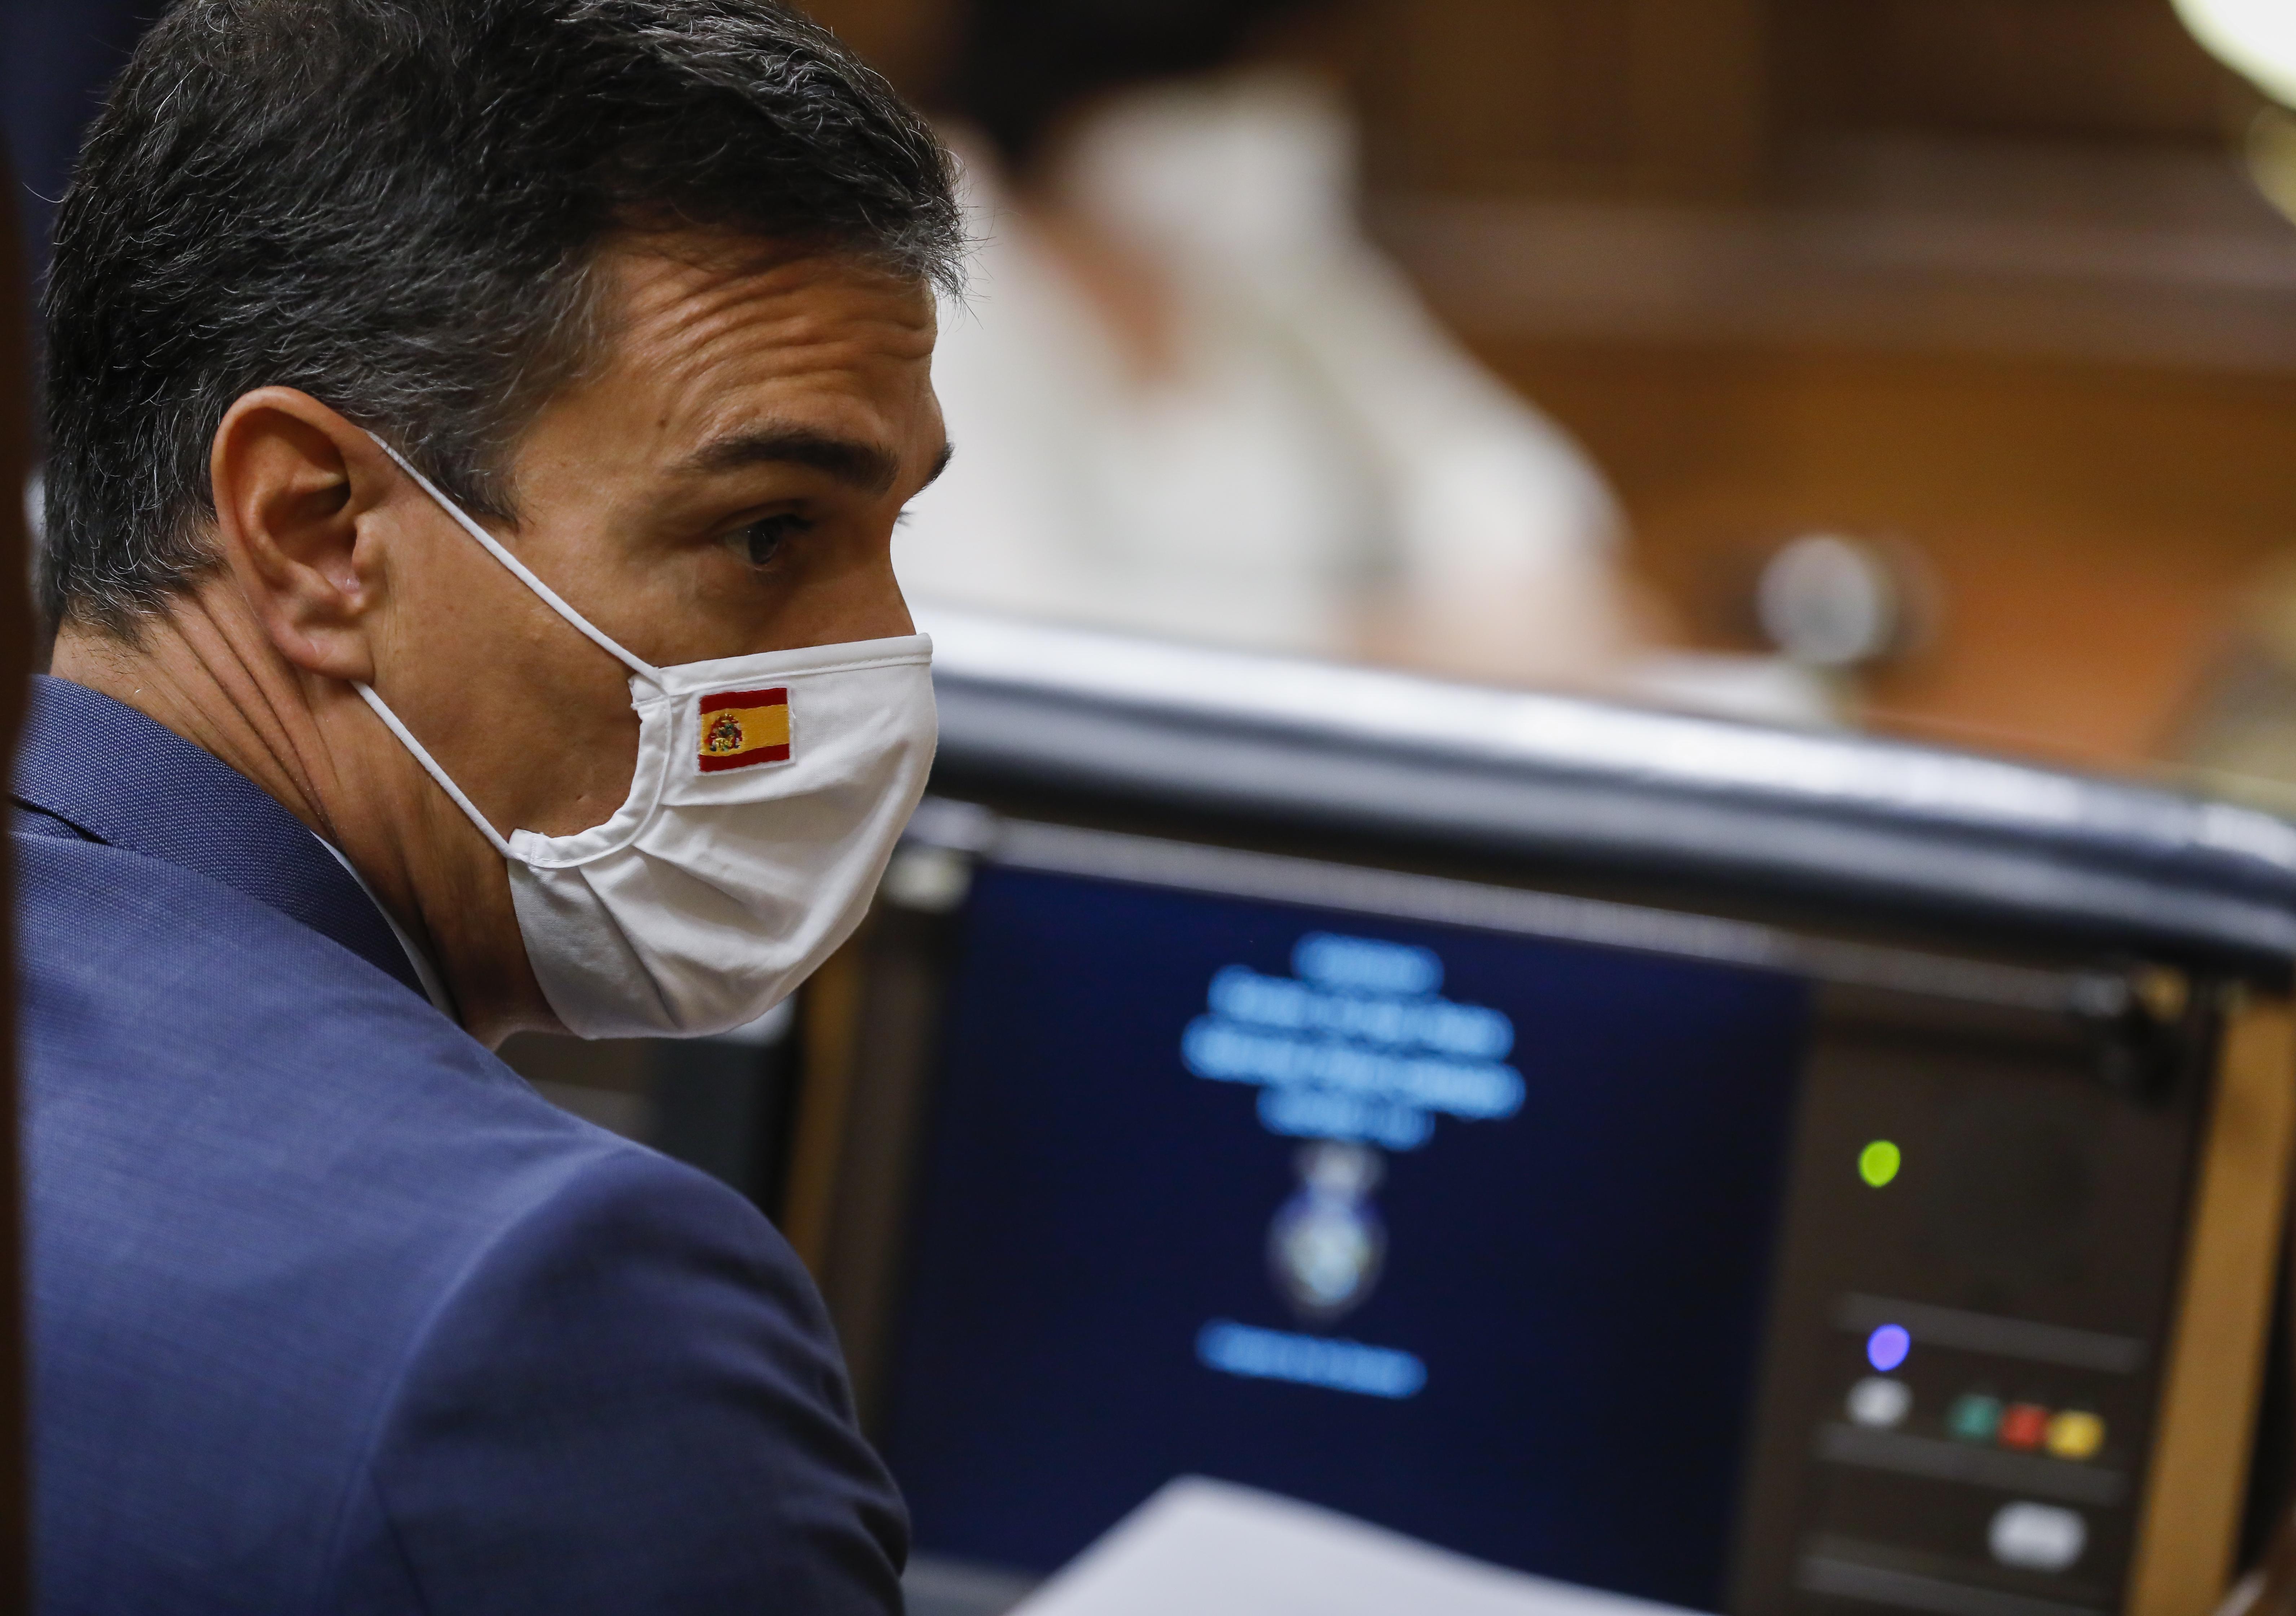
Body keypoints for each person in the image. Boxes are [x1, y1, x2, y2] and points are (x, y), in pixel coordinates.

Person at [12, 0, 960, 1609]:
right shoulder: (557, 1320)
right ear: (317, 533)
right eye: (768, 535)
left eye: (895, 533)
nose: (882, 660)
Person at [894, 0, 1648, 690]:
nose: (1289, 123)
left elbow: (1485, 462)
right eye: (1246, 84)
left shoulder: (1262, 262)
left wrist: (1529, 581)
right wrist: (1371, 639)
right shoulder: (927, 270)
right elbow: (991, 621)